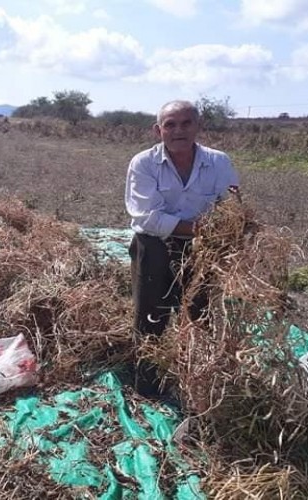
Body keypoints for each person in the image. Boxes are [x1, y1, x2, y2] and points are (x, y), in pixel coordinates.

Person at [124, 100, 239, 395]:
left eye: (186, 123)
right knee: (151, 315)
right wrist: (200, 228)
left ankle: (196, 383)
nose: (179, 131)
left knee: (199, 314)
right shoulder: (144, 163)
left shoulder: (218, 162)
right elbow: (147, 217)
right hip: (153, 245)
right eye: (170, 124)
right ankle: (147, 383)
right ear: (158, 130)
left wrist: (226, 232)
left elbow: (232, 207)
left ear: (198, 127)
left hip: (203, 249)